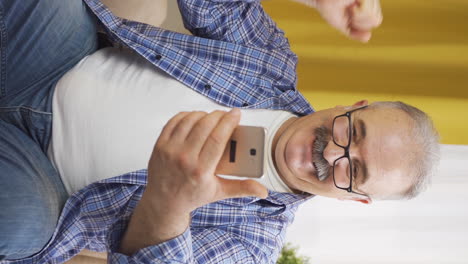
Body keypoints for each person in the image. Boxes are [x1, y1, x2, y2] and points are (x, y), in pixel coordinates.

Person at [0, 0, 439, 263]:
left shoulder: (251, 245)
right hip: (57, 63)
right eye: (353, 131)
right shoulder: (269, 62)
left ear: (354, 198)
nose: (333, 154)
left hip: (44, 181)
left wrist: (169, 202)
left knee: (20, 215)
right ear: (353, 105)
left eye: (354, 171)